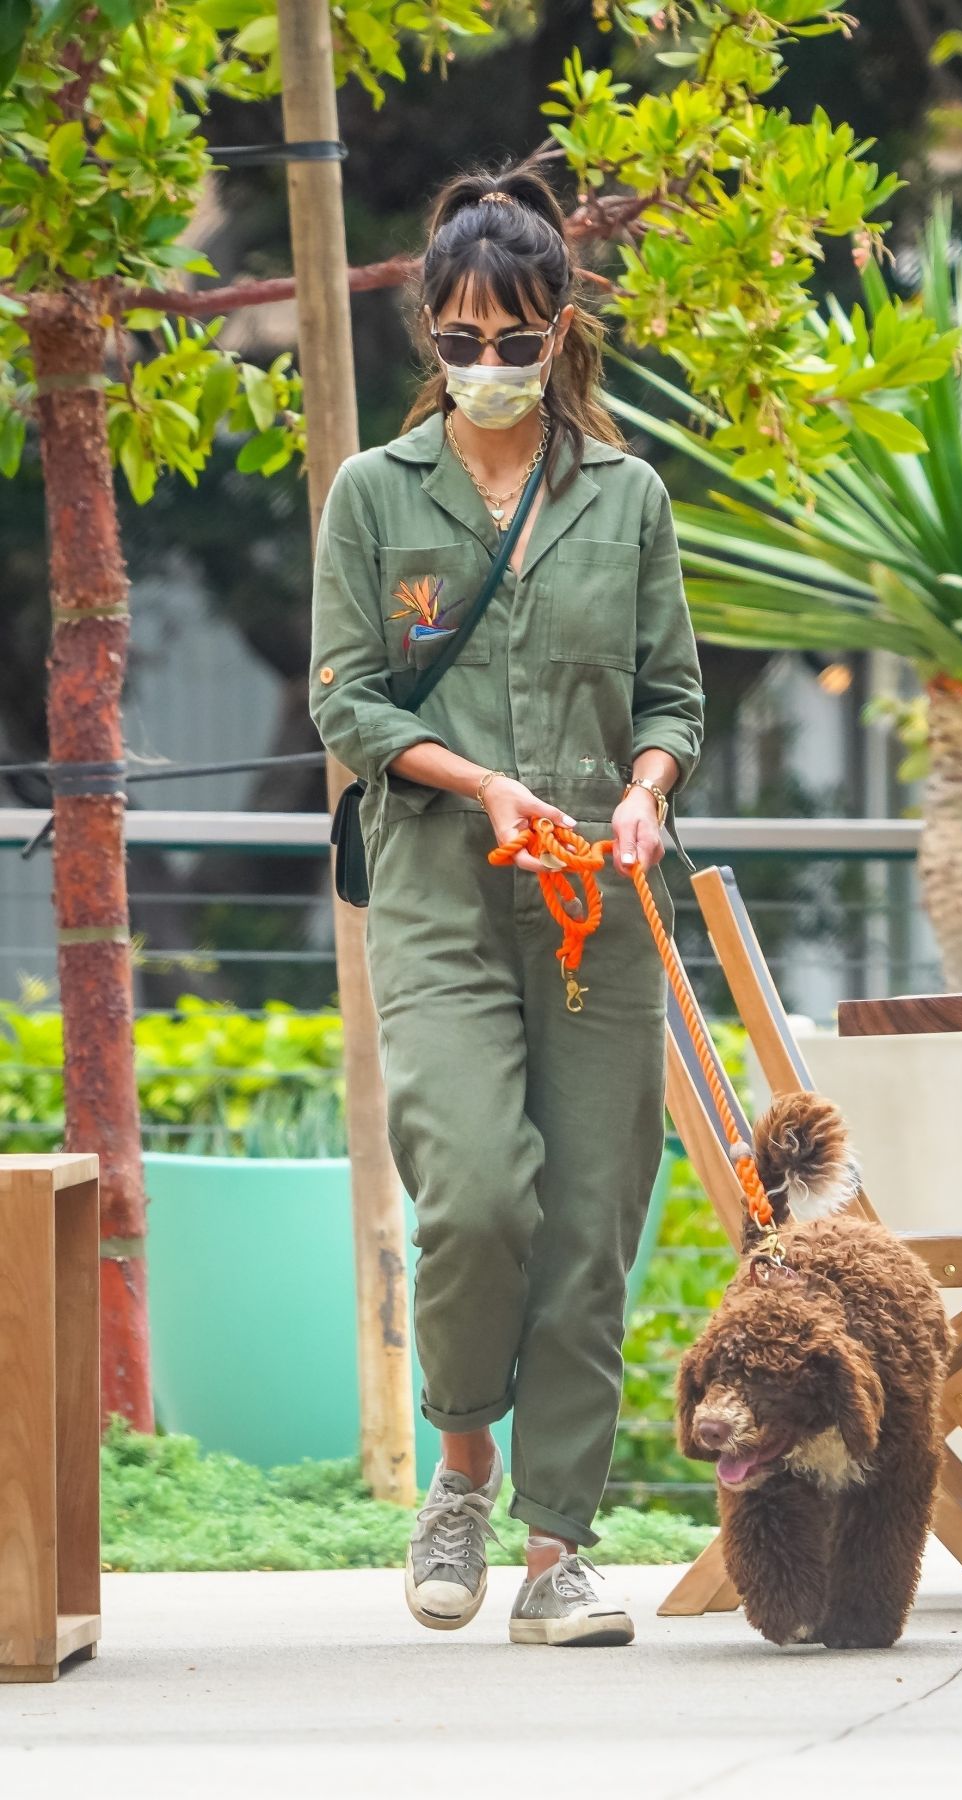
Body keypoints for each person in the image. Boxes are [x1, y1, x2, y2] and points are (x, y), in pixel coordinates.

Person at [309, 161, 704, 1648]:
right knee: (475, 1192)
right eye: (461, 339)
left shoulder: (629, 497)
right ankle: (459, 1470)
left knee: (593, 1219)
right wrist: (482, 787)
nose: (487, 366)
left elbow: (671, 694)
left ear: (559, 331)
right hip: (437, 889)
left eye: (515, 341)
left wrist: (646, 787)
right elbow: (343, 699)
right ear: (429, 331)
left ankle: (557, 1554)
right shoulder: (374, 494)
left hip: (601, 899)